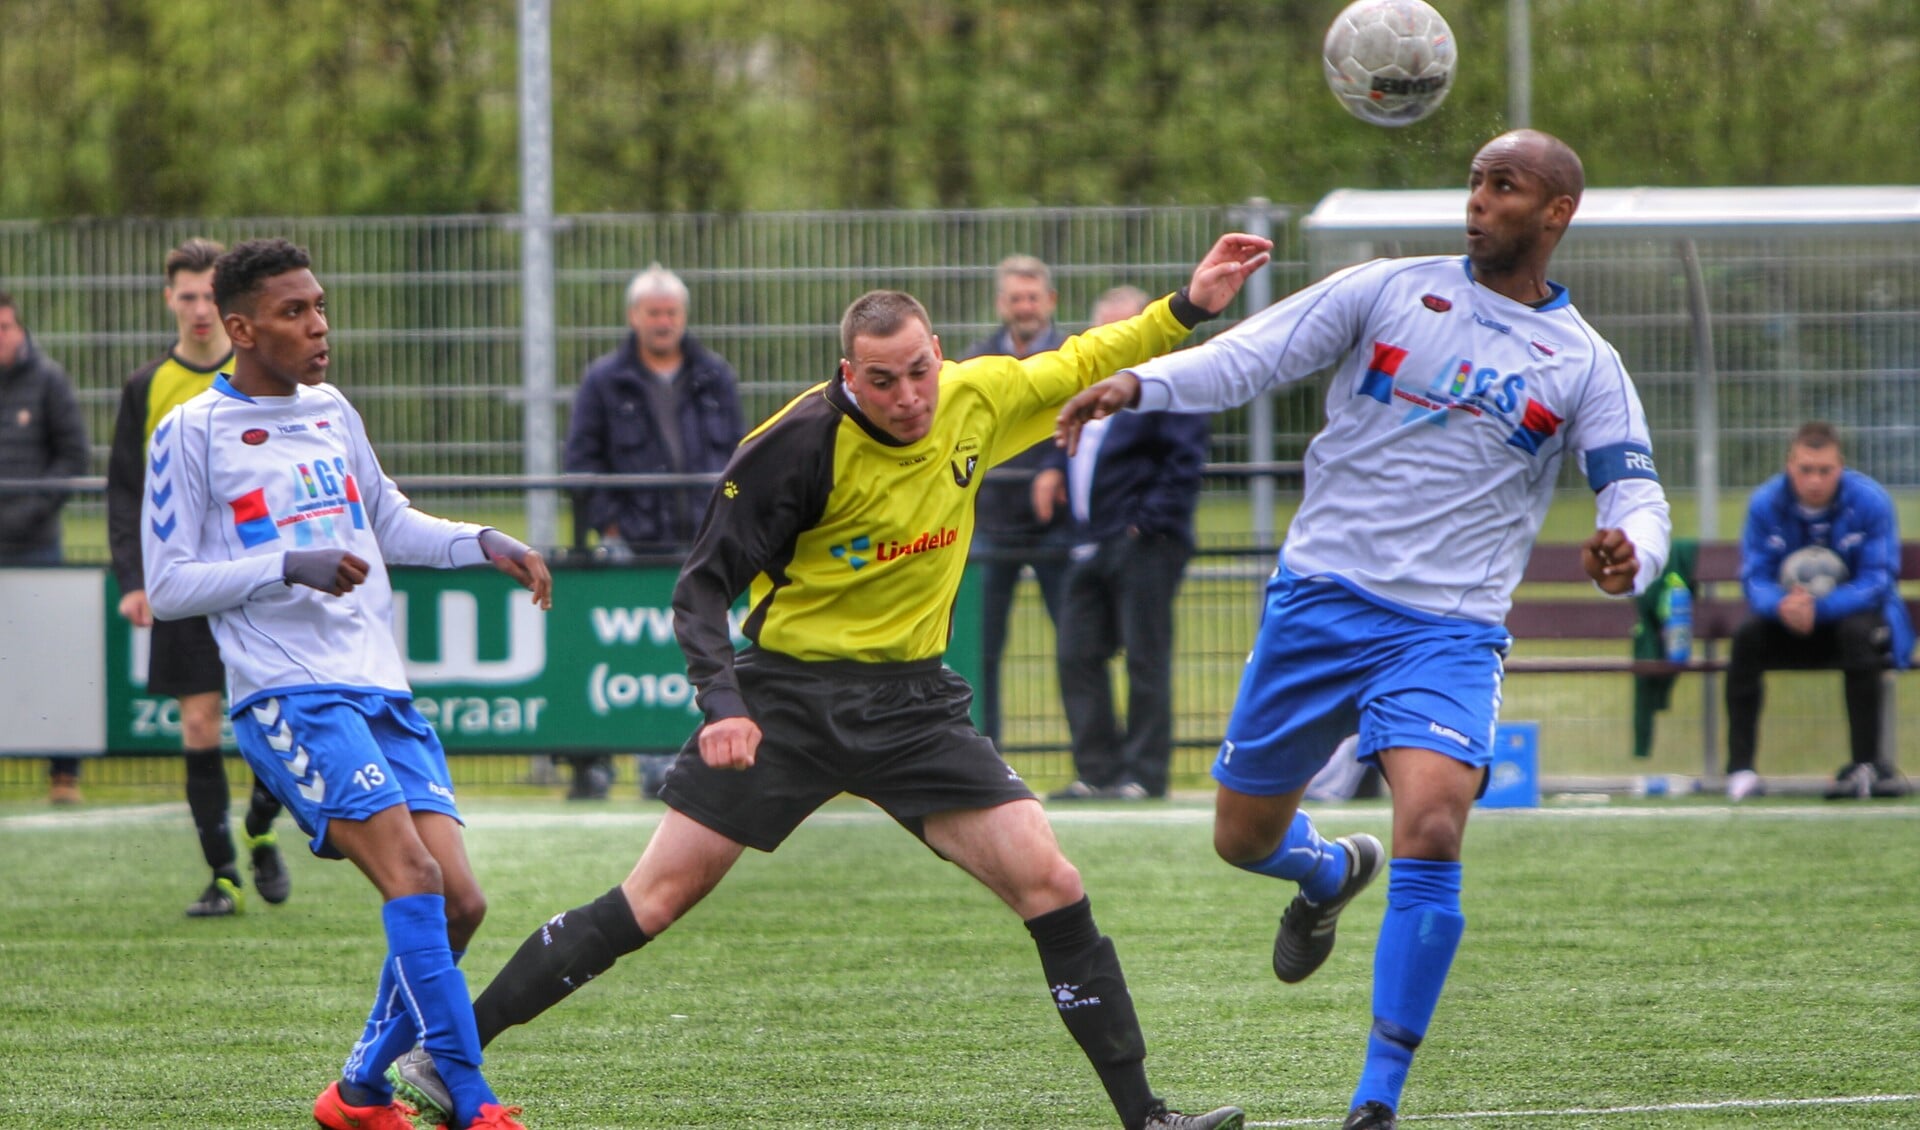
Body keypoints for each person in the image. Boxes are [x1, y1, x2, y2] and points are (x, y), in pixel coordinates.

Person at [387, 233, 1275, 1130]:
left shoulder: (975, 396)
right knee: (653, 899)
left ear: (939, 355)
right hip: (789, 704)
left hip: (916, 707)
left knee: (1051, 880)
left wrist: (1191, 305)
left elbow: (1088, 355)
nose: (909, 397)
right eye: (883, 380)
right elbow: (699, 587)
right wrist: (723, 706)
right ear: (849, 374)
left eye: (920, 370)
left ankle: (1147, 1118)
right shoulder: (793, 447)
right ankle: (446, 1052)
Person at [1055, 130, 1672, 1130]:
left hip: (1448, 630)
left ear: (1555, 212)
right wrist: (1141, 382)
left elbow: (1634, 486)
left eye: (1503, 186)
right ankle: (1325, 869)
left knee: (1431, 821)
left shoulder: (1585, 362)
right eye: (1474, 180)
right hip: (1320, 601)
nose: (1477, 201)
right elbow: (1253, 355)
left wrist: (1631, 549)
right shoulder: (1386, 289)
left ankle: (1375, 1102)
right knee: (1240, 835)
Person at [141, 238, 550, 1130]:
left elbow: (390, 521)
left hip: (378, 688)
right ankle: (468, 1096)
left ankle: (360, 1092)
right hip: (290, 696)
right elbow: (169, 584)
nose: (319, 326)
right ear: (241, 328)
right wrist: (287, 564)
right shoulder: (189, 433)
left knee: (464, 902)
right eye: (295, 313)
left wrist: (484, 542)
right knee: (413, 877)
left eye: (320, 306)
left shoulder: (331, 409)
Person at [106, 238, 294, 916]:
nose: (197, 310)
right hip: (184, 582)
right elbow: (125, 491)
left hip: (253, 579)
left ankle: (261, 829)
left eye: (207, 296)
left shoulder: (265, 379)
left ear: (226, 304)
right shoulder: (146, 387)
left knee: (272, 720)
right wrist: (134, 577)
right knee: (198, 723)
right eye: (185, 296)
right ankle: (224, 876)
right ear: (170, 300)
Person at [563, 261, 744, 799]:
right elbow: (581, 461)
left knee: (703, 650)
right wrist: (610, 524)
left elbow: (740, 454)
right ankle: (645, 765)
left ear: (683, 316)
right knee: (635, 657)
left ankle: (691, 761)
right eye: (653, 312)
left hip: (703, 540)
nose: (663, 322)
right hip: (634, 546)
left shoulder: (715, 376)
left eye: (671, 312)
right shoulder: (603, 380)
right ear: (633, 316)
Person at [1044, 286, 1208, 801]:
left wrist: (1145, 523)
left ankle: (1144, 774)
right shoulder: (1084, 387)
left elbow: (1184, 461)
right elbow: (1067, 446)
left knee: (1145, 656)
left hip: (1144, 542)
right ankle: (1097, 772)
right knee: (1076, 654)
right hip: (1087, 540)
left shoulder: (1167, 384)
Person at [1725, 421, 1912, 802]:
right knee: (1746, 638)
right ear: (1789, 466)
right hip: (1790, 623)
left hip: (1852, 625)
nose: (1814, 480)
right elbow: (1754, 578)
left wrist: (1821, 607)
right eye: (1805, 469)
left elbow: (1878, 579)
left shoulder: (1870, 501)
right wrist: (1782, 605)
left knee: (1859, 636)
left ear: (1840, 467)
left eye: (1824, 470)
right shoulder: (1765, 504)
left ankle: (1864, 765)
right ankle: (1741, 771)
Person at [962, 254, 1073, 748]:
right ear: (1000, 304)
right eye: (1015, 298)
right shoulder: (975, 361)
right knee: (980, 649)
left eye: (1033, 297)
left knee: (1076, 645)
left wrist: (1056, 468)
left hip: (1059, 521)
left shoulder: (1074, 356)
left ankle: (1095, 765)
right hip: (992, 518)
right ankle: (984, 754)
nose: (1024, 307)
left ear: (1049, 301)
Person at [0, 290, 91, 804]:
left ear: (20, 328)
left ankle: (64, 775)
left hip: (37, 547)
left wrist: (29, 510)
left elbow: (72, 455)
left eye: (5, 327)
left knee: (51, 658)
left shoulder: (49, 380)